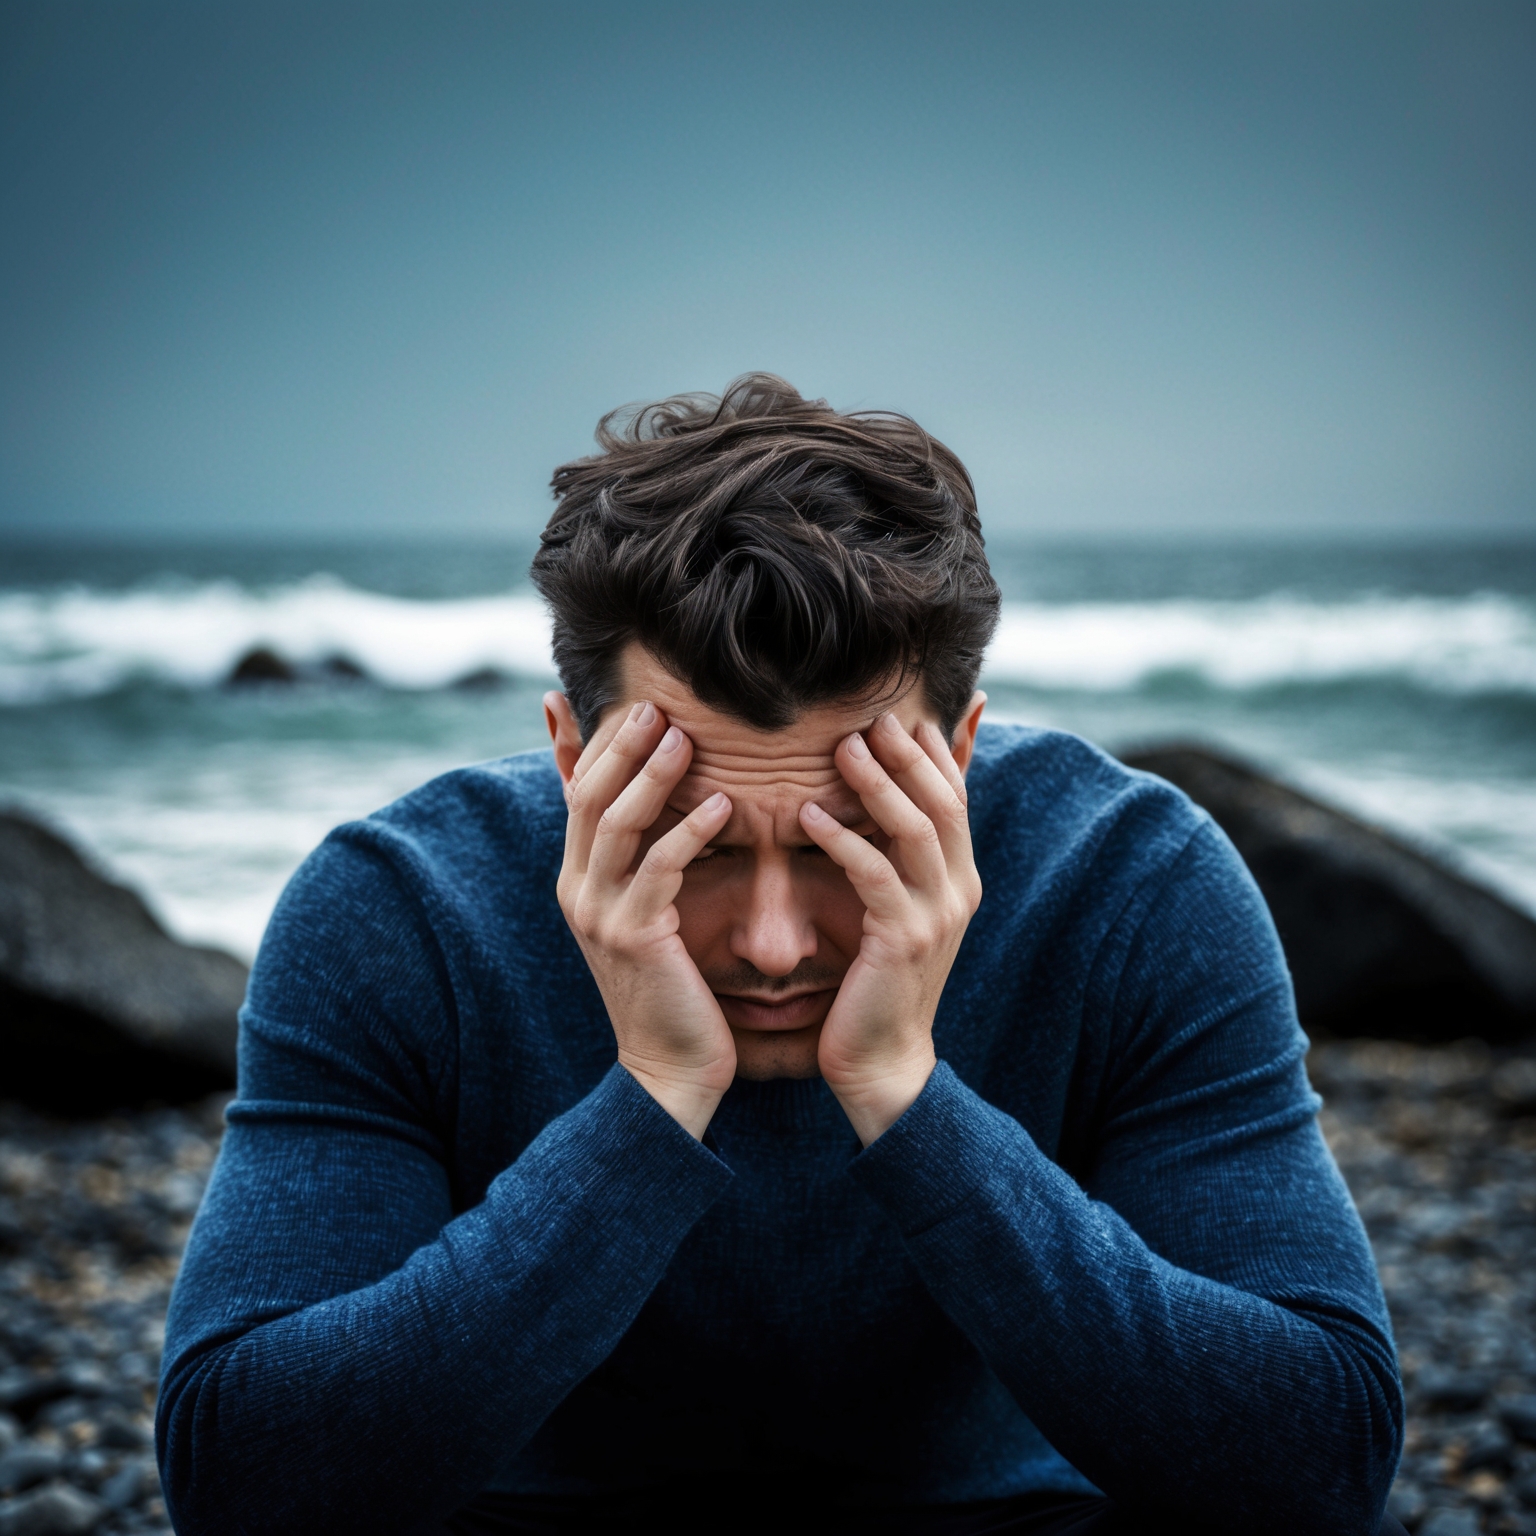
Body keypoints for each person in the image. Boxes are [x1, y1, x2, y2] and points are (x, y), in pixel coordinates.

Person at [157, 376, 1405, 1535]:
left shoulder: (1129, 882)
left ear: (960, 753)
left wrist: (909, 1100)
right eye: (693, 846)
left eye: (845, 844)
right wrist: (650, 1102)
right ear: (569, 754)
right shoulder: (400, 906)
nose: (771, 947)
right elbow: (240, 1480)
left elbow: (1321, 1465)